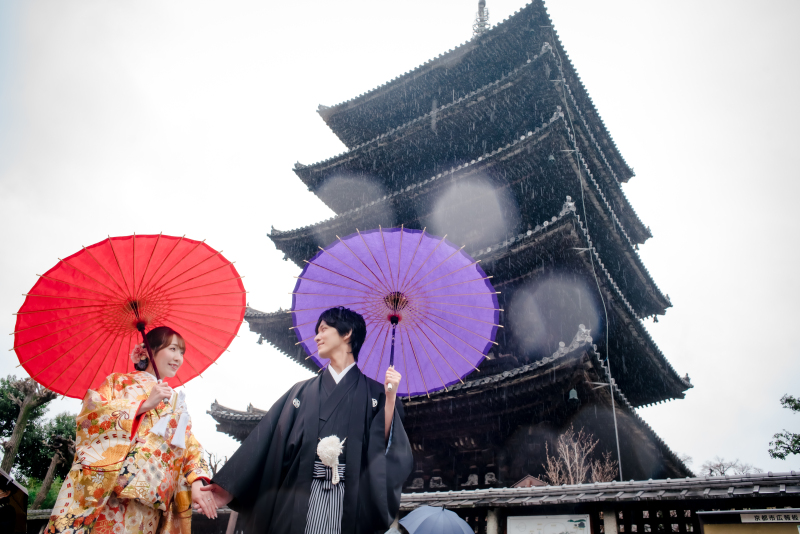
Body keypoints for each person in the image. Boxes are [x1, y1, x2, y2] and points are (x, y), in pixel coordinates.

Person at [202, 306, 413, 534]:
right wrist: (229, 487)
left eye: (323, 329)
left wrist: (390, 398)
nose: (317, 337)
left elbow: (382, 451)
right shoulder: (300, 394)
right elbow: (265, 442)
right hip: (298, 503)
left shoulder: (377, 395)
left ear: (347, 333)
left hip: (350, 505)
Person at [46, 326, 215, 534]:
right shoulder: (120, 382)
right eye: (172, 349)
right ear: (147, 351)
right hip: (114, 493)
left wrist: (197, 481)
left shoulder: (175, 403)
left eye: (182, 352)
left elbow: (190, 446)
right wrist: (143, 405)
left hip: (152, 501)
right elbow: (91, 417)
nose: (178, 358)